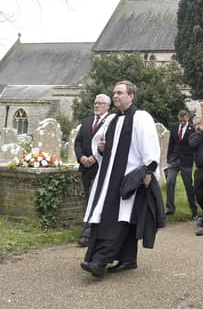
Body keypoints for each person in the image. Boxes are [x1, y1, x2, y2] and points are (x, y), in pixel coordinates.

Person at [81, 80, 162, 278]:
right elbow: (100, 146)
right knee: (114, 218)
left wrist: (149, 171)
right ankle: (127, 259)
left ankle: (100, 261)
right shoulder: (112, 120)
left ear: (131, 96)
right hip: (108, 178)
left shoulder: (141, 118)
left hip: (129, 178)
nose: (115, 96)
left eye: (119, 92)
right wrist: (100, 149)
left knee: (121, 219)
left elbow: (150, 144)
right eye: (114, 93)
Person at [74, 93, 111, 247]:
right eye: (95, 103)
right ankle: (90, 228)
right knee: (88, 197)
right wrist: (82, 157)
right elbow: (78, 142)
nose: (96, 105)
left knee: (95, 198)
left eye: (100, 103)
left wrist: (95, 157)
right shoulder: (87, 121)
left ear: (108, 106)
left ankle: (88, 232)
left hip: (100, 166)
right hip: (85, 167)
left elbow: (110, 143)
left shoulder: (111, 122)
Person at [164, 109, 198, 220]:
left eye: (184, 120)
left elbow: (194, 145)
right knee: (170, 182)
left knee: (188, 185)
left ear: (187, 118)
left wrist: (194, 160)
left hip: (186, 161)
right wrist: (169, 158)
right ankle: (170, 208)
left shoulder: (192, 129)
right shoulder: (174, 127)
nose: (182, 122)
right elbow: (171, 143)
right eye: (180, 120)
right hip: (174, 160)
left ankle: (194, 210)